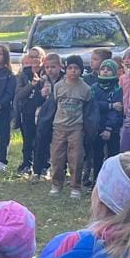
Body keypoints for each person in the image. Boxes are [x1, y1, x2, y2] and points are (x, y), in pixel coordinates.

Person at [49, 56, 94, 197]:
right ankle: (56, 184)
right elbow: (54, 104)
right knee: (57, 157)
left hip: (76, 128)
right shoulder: (58, 87)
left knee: (76, 158)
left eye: (76, 68)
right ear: (65, 69)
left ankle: (75, 186)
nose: (73, 71)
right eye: (70, 68)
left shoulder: (86, 89)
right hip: (59, 127)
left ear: (81, 70)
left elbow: (88, 109)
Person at [87, 59, 126, 177]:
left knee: (113, 156)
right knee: (97, 156)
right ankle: (97, 180)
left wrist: (109, 128)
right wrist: (110, 105)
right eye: (103, 69)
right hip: (96, 126)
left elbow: (117, 111)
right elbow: (93, 105)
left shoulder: (117, 89)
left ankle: (113, 179)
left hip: (112, 129)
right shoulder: (93, 87)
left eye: (108, 70)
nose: (105, 71)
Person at [15, 48, 46, 176]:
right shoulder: (24, 74)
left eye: (37, 57)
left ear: (42, 59)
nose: (34, 60)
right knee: (28, 140)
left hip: (42, 112)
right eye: (31, 57)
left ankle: (43, 166)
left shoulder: (46, 72)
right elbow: (19, 95)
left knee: (42, 139)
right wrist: (32, 85)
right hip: (27, 111)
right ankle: (27, 164)